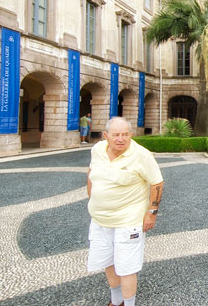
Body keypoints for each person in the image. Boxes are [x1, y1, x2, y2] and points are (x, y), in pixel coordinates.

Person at [86, 117, 164, 306]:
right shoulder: (97, 150)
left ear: (130, 135)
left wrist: (151, 212)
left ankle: (129, 304)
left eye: (125, 135)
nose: (120, 139)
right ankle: (116, 301)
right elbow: (91, 174)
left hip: (128, 222)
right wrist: (93, 199)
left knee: (127, 268)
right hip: (99, 220)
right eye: (116, 135)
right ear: (106, 136)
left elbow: (157, 183)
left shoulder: (142, 155)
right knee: (108, 262)